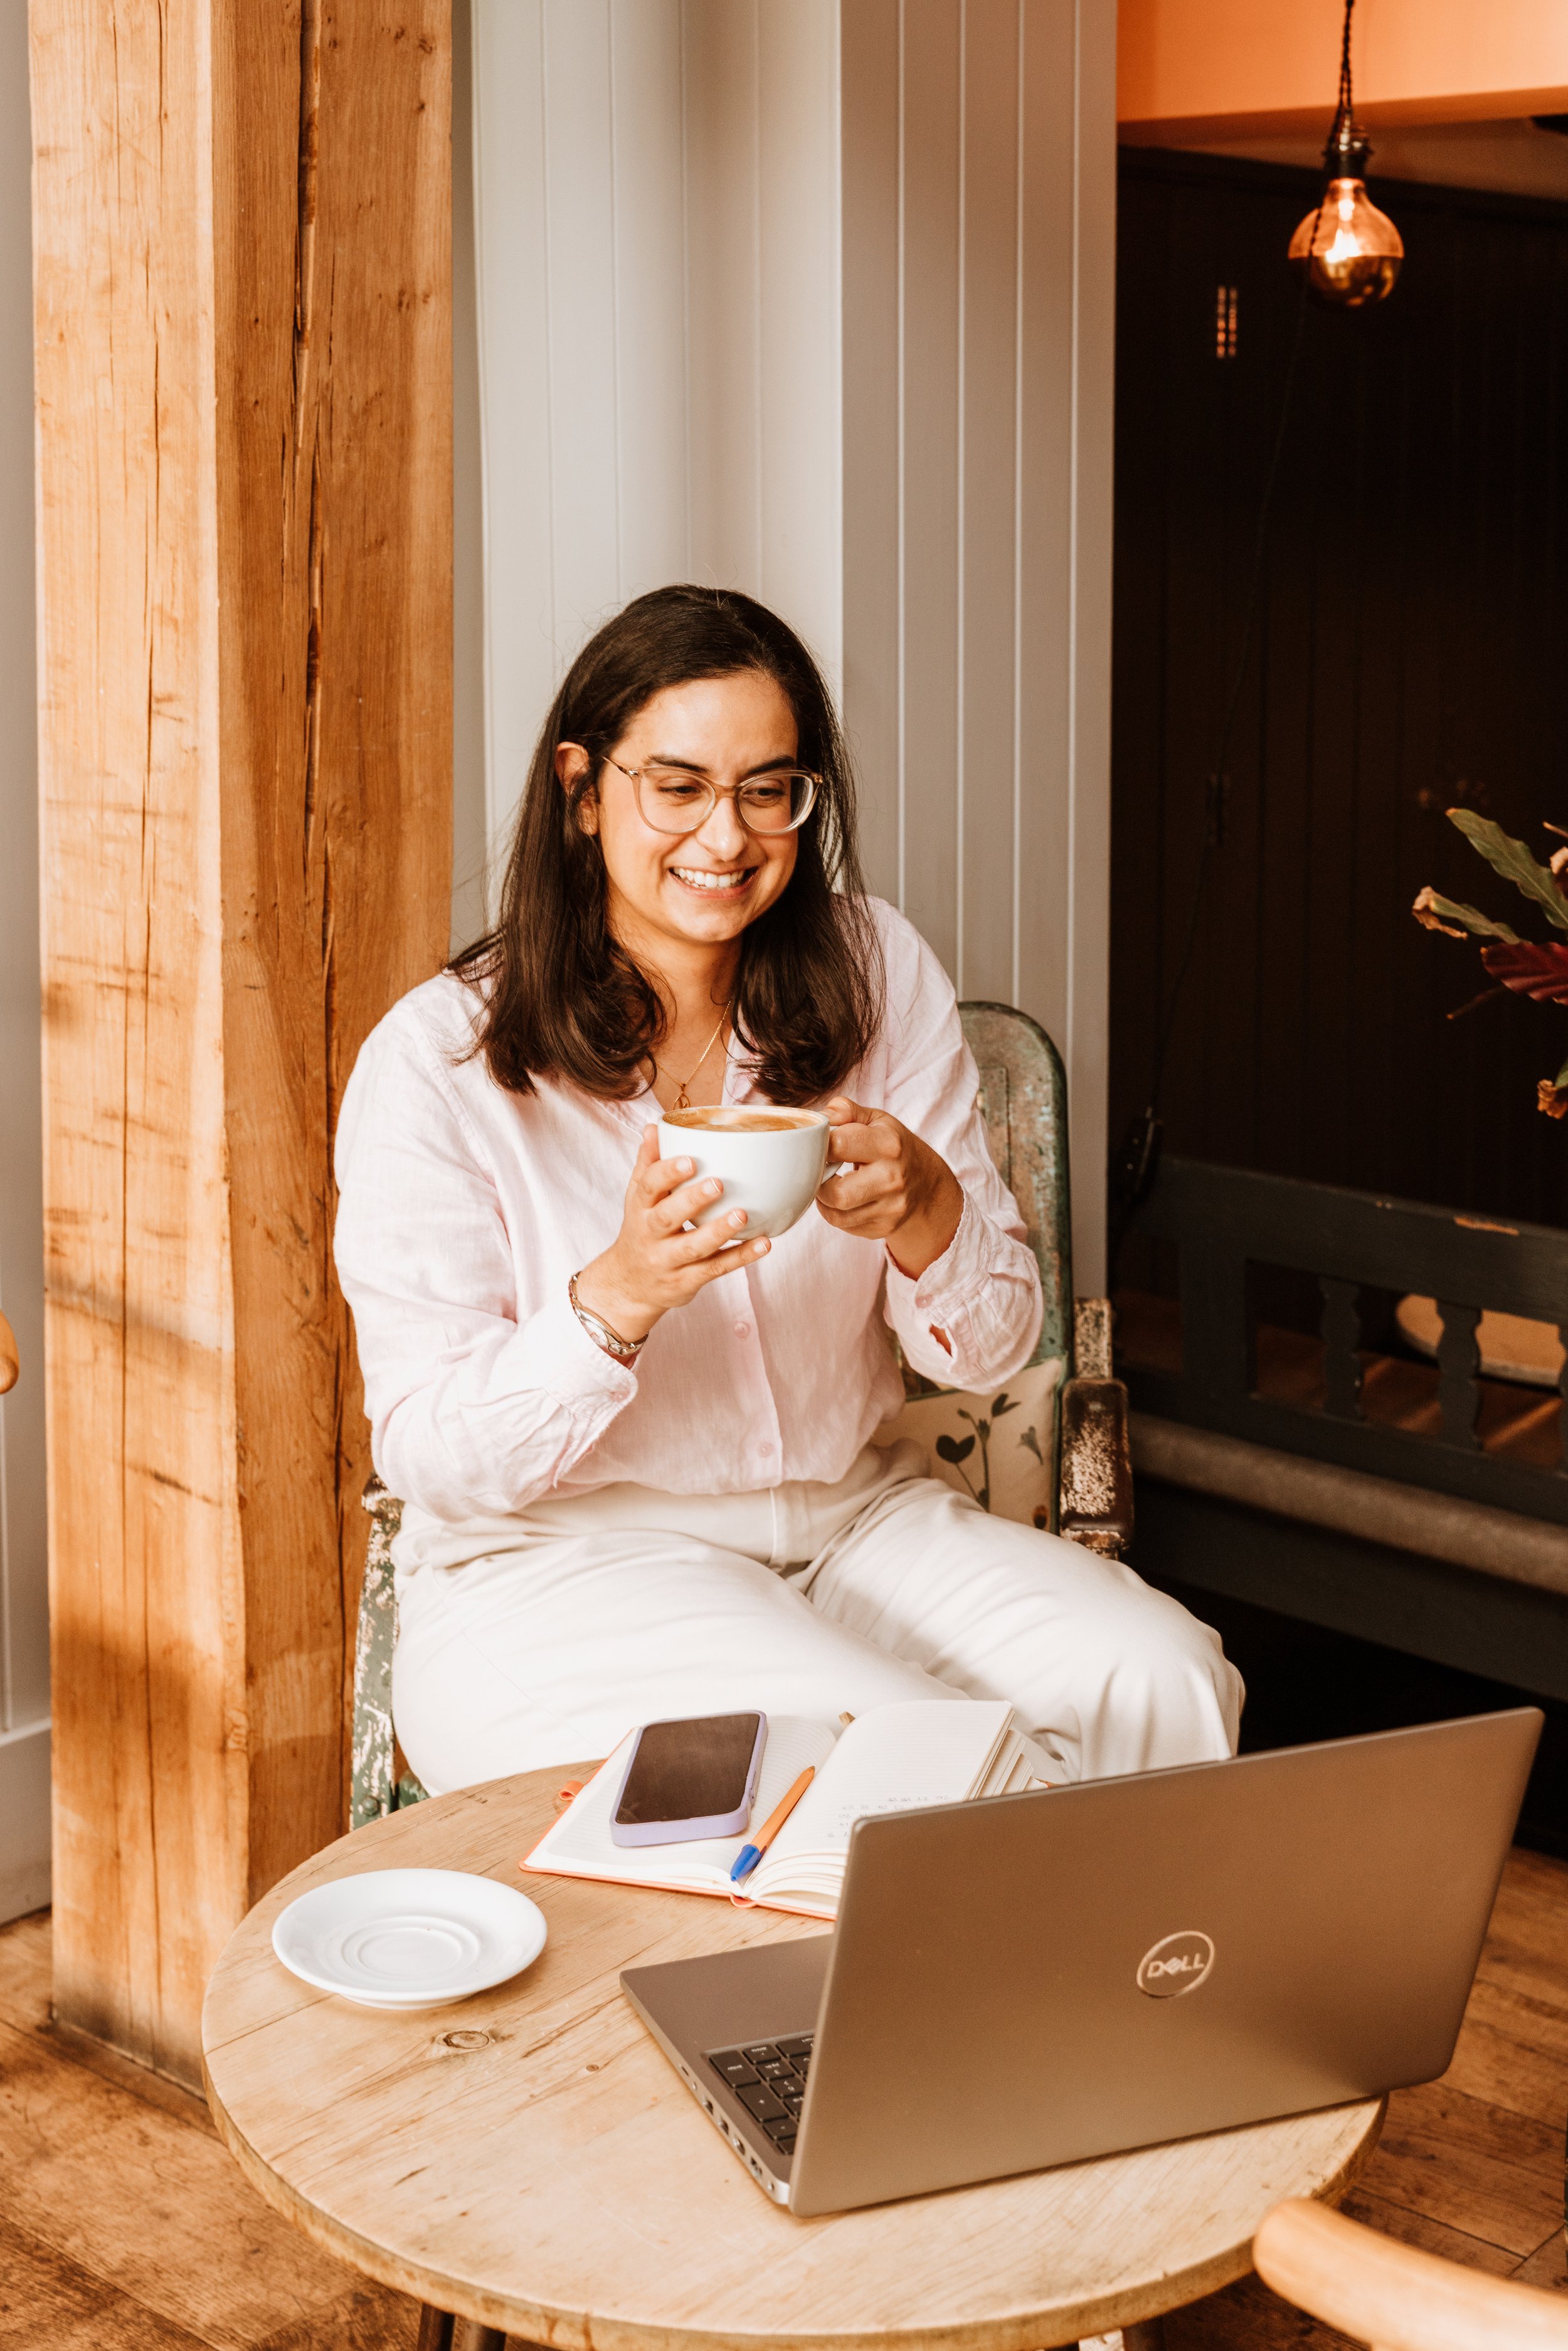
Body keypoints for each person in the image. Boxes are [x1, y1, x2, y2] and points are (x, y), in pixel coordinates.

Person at [334, 585, 1241, 1795]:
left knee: (1164, 1675)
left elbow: (991, 1355)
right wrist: (614, 1300)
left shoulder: (875, 972)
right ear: (580, 789)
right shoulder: (443, 1058)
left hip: (853, 1517)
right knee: (930, 1771)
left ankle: (1131, 1987)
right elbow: (433, 1457)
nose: (727, 839)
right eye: (679, 786)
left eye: (768, 789)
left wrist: (928, 1211)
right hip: (565, 1559)